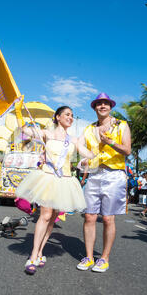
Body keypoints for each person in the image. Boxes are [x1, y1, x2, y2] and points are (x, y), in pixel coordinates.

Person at [15, 99, 95, 275]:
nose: (71, 118)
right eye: (67, 114)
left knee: (53, 218)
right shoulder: (46, 134)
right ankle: (33, 255)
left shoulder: (74, 139)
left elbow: (88, 153)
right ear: (58, 117)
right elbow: (24, 130)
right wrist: (19, 111)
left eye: (72, 116)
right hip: (48, 178)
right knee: (44, 216)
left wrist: (98, 149)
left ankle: (41, 250)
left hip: (65, 181)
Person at [76, 93, 131, 273]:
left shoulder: (121, 125)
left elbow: (127, 150)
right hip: (94, 174)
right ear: (94, 107)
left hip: (114, 174)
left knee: (108, 218)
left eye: (105, 103)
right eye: (99, 104)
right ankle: (89, 257)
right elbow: (81, 147)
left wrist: (110, 142)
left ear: (110, 106)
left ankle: (104, 258)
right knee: (89, 216)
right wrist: (84, 159)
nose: (102, 106)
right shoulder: (89, 129)